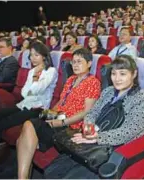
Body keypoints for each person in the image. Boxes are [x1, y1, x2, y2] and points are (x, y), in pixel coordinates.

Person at [43, 54, 144, 179]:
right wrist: (88, 132)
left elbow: (129, 131)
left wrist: (97, 138)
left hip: (115, 149)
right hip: (94, 141)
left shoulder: (143, 98)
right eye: (113, 73)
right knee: (51, 172)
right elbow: (92, 113)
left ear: (134, 74)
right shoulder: (108, 91)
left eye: (123, 74)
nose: (117, 79)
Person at [16, 48, 101, 179]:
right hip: (59, 116)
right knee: (26, 129)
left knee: (26, 131)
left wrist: (60, 122)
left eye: (79, 61)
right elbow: (62, 101)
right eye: (73, 62)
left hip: (71, 124)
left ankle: (22, 177)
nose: (75, 65)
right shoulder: (71, 79)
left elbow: (86, 112)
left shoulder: (93, 82)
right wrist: (48, 114)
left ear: (89, 63)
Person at [0, 41, 58, 177]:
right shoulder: (32, 71)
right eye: (31, 55)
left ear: (44, 56)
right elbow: (24, 92)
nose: (32, 58)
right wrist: (34, 78)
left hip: (39, 109)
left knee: (1, 123)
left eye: (36, 55)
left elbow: (37, 89)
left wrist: (35, 80)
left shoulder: (51, 71)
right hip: (24, 104)